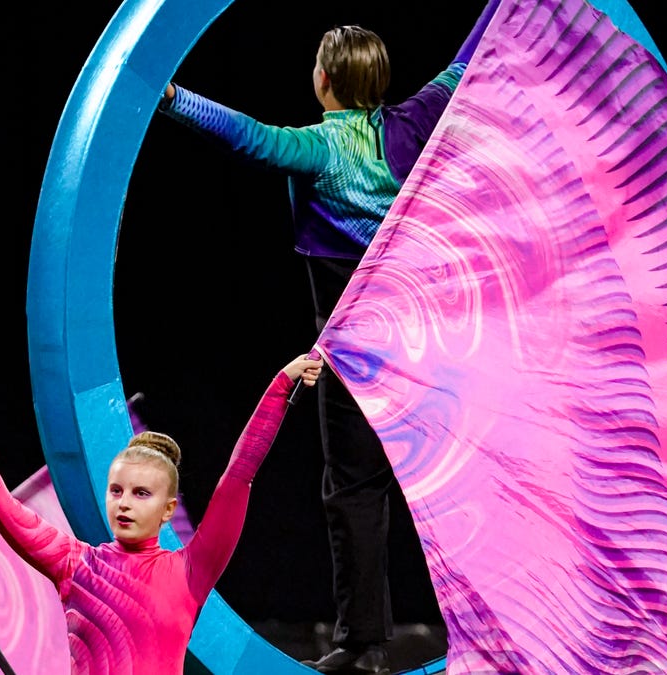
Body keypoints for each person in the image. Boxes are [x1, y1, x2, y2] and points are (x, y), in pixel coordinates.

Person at [155, 3, 500, 672]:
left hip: (360, 354)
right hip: (432, 340)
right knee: (458, 482)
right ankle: (504, 627)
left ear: (323, 80)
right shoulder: (415, 121)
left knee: (354, 489)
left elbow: (247, 135)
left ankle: (364, 646)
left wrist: (172, 98)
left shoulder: (320, 148)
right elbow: (468, 61)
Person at [0, 353, 323, 674]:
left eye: (141, 494)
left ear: (168, 510)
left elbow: (239, 475)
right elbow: (1, 504)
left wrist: (279, 388)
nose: (124, 503)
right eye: (116, 491)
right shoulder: (76, 565)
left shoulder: (190, 571)